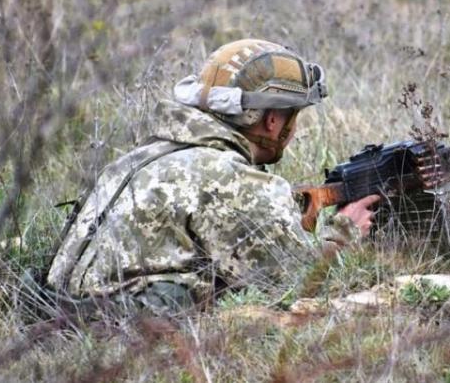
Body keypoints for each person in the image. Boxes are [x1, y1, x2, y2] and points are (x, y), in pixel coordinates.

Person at [45, 39, 381, 313]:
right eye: (293, 116)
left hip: (62, 316)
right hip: (123, 333)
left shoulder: (137, 158)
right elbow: (295, 282)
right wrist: (344, 232)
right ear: (272, 121)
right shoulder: (225, 176)